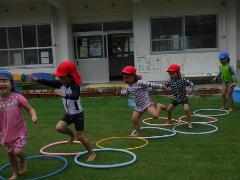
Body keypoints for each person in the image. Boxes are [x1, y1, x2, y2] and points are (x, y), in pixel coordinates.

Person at [29, 60, 96, 161]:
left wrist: (64, 95)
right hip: (68, 114)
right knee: (59, 128)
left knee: (81, 137)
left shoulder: (74, 86)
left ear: (70, 76)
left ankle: (92, 153)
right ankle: (71, 134)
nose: (60, 79)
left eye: (63, 77)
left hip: (78, 115)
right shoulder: (60, 84)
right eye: (59, 77)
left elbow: (75, 95)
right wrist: (37, 80)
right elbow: (49, 82)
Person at [0, 70, 37, 180]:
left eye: (5, 81)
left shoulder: (17, 97)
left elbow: (30, 109)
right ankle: (15, 173)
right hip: (6, 134)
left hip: (20, 131)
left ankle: (23, 160)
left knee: (17, 151)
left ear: (11, 84)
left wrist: (33, 116)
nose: (1, 83)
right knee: (10, 155)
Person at [118, 66, 166, 137]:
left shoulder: (140, 83)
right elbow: (126, 92)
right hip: (138, 106)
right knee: (134, 120)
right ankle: (138, 133)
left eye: (127, 78)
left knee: (155, 116)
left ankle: (158, 106)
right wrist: (120, 93)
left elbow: (152, 85)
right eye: (124, 78)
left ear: (133, 76)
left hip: (147, 104)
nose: (125, 80)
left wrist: (162, 86)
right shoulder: (128, 86)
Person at [163, 64, 193, 129]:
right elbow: (164, 85)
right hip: (176, 99)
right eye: (170, 74)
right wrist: (168, 88)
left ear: (178, 73)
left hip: (183, 98)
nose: (171, 75)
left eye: (173, 73)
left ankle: (189, 123)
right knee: (168, 109)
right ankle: (169, 121)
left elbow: (191, 83)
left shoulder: (182, 80)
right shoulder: (170, 81)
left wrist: (190, 89)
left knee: (186, 109)